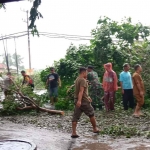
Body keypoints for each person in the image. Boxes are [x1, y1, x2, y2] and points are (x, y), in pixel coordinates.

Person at [71, 67, 99, 138]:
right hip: (83, 101)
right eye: (86, 73)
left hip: (77, 100)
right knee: (91, 113)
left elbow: (81, 91)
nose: (86, 74)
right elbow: (81, 91)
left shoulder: (77, 79)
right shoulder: (83, 80)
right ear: (83, 73)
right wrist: (80, 101)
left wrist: (87, 97)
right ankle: (95, 128)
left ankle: (73, 132)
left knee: (76, 116)